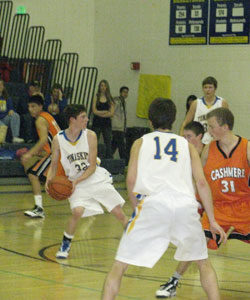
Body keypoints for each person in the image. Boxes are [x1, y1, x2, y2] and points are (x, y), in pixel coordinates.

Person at [102, 98, 227, 300]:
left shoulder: (140, 143)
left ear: (150, 121)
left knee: (120, 265)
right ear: (175, 119)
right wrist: (212, 220)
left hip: (153, 205)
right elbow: (202, 183)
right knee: (203, 263)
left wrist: (136, 210)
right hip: (186, 207)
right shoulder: (187, 146)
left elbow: (131, 180)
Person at [156, 107, 250, 298]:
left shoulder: (246, 148)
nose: (209, 131)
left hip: (244, 207)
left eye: (212, 126)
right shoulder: (209, 149)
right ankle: (173, 282)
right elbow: (198, 179)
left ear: (225, 126)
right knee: (194, 241)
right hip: (218, 209)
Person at [46, 104, 128, 259]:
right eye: (83, 117)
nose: (87, 119)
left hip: (94, 177)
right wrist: (49, 181)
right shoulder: (58, 139)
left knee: (118, 212)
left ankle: (133, 241)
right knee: (77, 212)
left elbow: (91, 166)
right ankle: (65, 244)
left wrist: (78, 180)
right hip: (74, 181)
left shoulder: (90, 136)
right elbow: (54, 164)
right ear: (72, 120)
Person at [21, 95, 61, 218]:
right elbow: (51, 138)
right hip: (60, 151)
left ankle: (39, 209)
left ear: (40, 106)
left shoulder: (40, 120)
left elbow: (43, 140)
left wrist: (29, 153)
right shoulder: (48, 116)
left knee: (33, 174)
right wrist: (41, 152)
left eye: (33, 106)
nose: (30, 109)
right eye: (29, 107)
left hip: (56, 153)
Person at [180, 76, 228, 144]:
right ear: (202, 89)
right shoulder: (196, 103)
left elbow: (227, 124)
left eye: (210, 87)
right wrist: (181, 138)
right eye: (205, 87)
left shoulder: (222, 103)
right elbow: (186, 122)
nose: (207, 90)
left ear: (215, 88)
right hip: (198, 141)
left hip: (216, 141)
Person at [92, 80, 114, 158]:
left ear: (107, 87)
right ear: (99, 87)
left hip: (107, 124)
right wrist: (104, 112)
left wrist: (100, 113)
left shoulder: (110, 98)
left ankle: (109, 159)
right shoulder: (96, 97)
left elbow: (111, 113)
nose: (103, 87)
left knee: (108, 142)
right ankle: (93, 157)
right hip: (96, 123)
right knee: (94, 142)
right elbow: (94, 111)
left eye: (104, 85)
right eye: (101, 85)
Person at [111, 86, 129, 160]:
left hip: (121, 127)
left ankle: (107, 158)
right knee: (121, 146)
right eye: (124, 92)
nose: (126, 94)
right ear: (120, 92)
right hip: (116, 127)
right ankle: (124, 162)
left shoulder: (124, 102)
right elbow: (112, 112)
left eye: (127, 92)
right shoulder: (116, 101)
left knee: (114, 145)